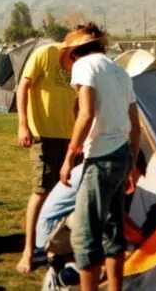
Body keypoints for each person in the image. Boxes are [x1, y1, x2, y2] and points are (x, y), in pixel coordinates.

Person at [58, 23, 140, 291]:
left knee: (84, 235)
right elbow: (135, 124)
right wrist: (133, 164)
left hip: (102, 158)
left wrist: (70, 154)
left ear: (74, 53)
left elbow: (87, 113)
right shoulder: (119, 70)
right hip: (121, 156)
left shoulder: (85, 66)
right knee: (113, 230)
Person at [16, 41, 76, 273]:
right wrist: (23, 125)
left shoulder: (79, 61)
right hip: (45, 134)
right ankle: (28, 251)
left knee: (68, 193)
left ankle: (58, 247)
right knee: (41, 192)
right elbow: (23, 87)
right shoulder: (45, 53)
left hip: (71, 139)